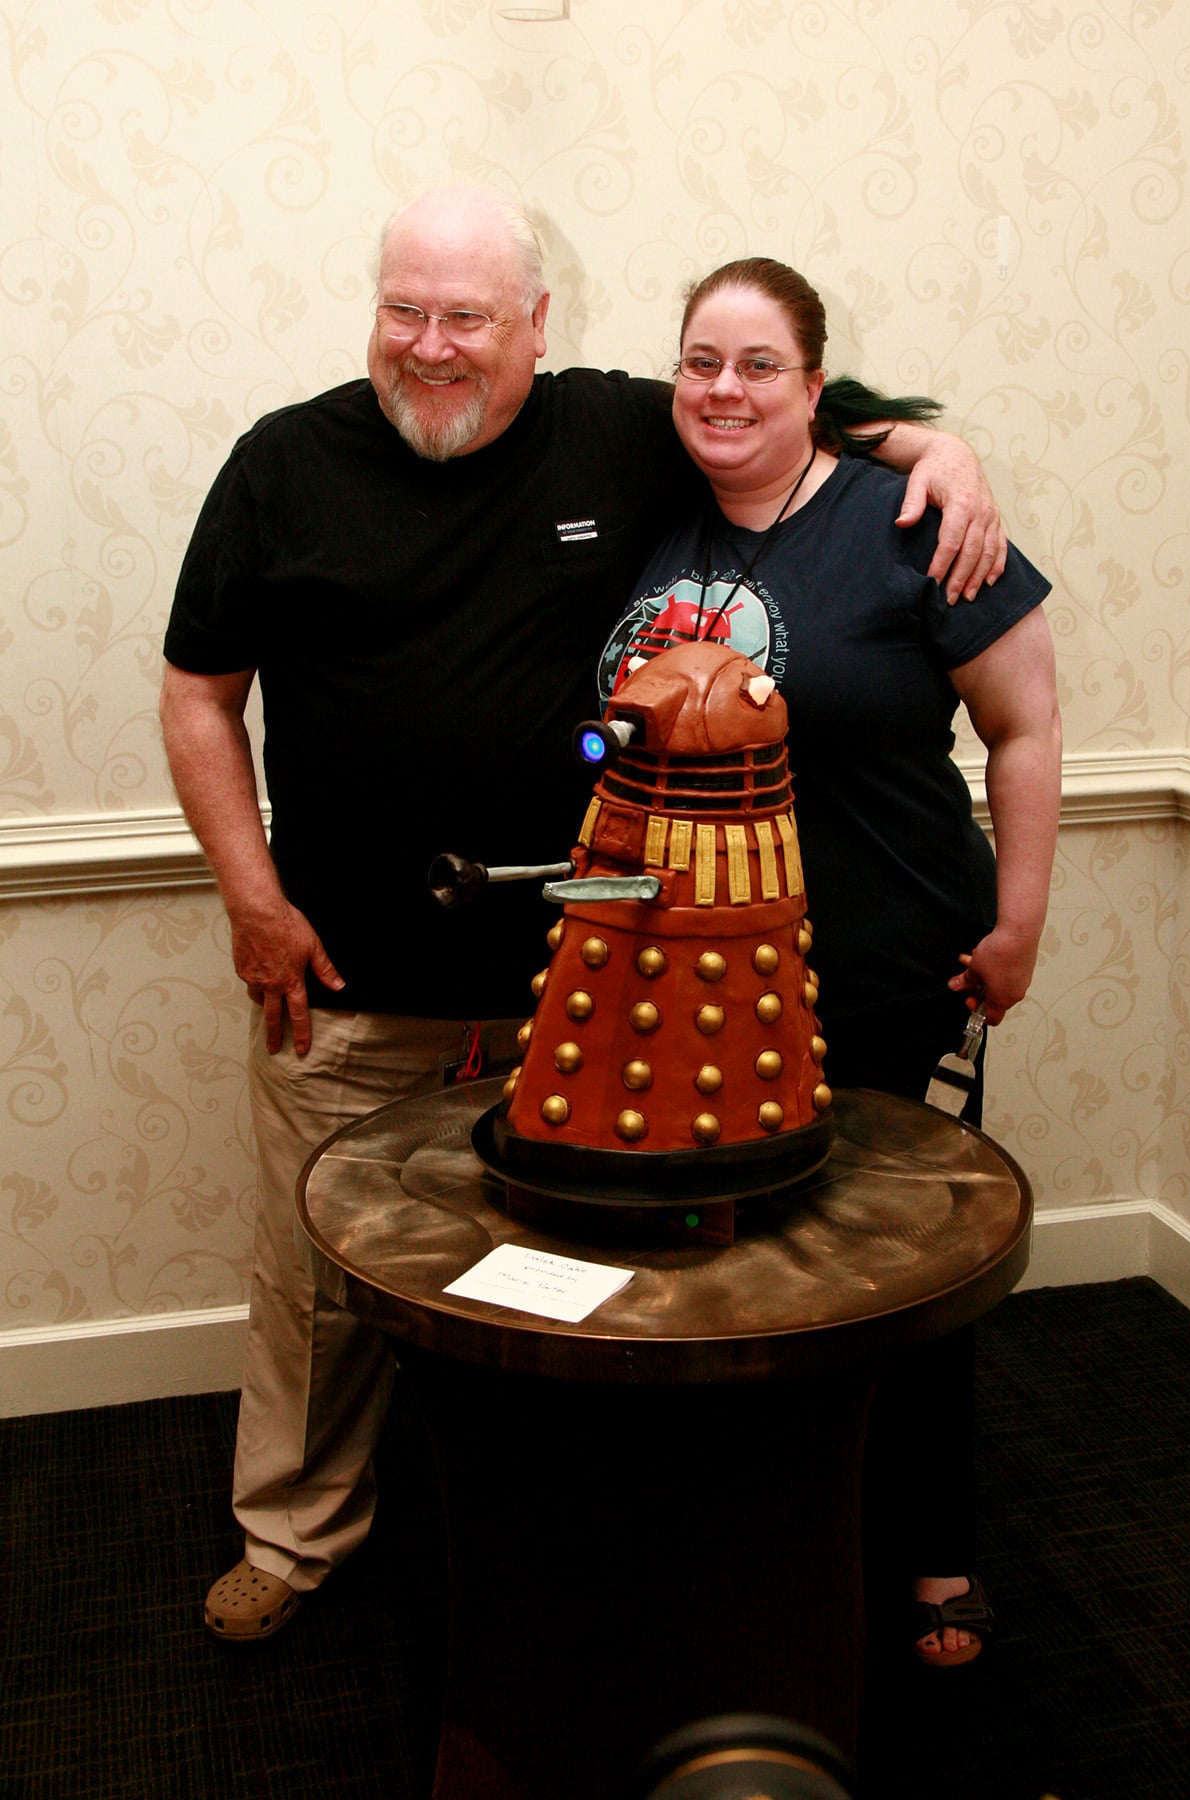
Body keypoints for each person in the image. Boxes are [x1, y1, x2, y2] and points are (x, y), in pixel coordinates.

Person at [159, 187, 1011, 1643]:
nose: (431, 346)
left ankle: (552, 1543)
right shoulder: (282, 462)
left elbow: (786, 410)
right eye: (404, 311)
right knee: (318, 1283)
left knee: (597, 1296)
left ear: (535, 328)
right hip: (352, 975)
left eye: (468, 317)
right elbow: (197, 695)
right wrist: (254, 900)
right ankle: (290, 1538)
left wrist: (940, 447)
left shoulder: (615, 426)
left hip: (588, 981)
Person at [597, 256, 1062, 1665]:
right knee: (730, 1268)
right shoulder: (656, 516)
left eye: (756, 365)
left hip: (883, 963)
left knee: (896, 1266)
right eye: (700, 362)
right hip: (690, 979)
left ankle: (930, 1553)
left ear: (816, 387)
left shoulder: (908, 518)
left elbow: (1026, 728)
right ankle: (761, 1533)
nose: (722, 389)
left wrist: (1021, 919)